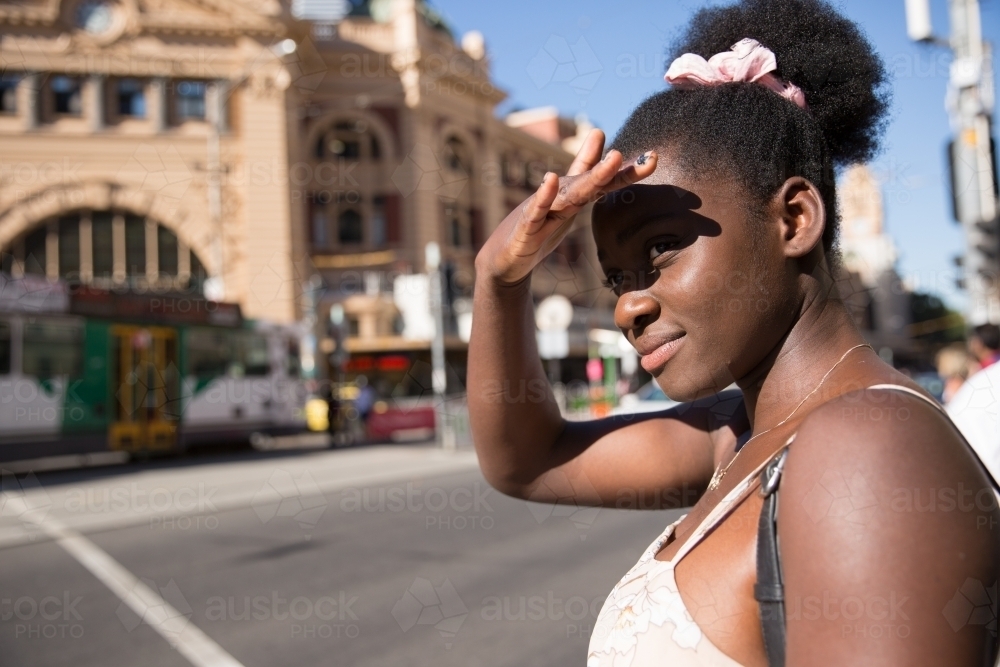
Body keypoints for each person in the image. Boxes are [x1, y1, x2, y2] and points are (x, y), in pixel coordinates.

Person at [467, 0, 1000, 664]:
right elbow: (528, 459)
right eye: (616, 278)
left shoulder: (866, 447)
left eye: (660, 250)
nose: (628, 307)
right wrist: (498, 275)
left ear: (795, 218)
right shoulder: (744, 433)